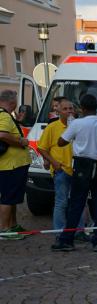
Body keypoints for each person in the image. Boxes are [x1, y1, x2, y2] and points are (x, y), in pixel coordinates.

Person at [51, 94, 97, 252]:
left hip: (82, 167)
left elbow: (61, 142)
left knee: (76, 204)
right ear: (96, 107)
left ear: (82, 108)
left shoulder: (77, 123)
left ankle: (67, 239)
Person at [38, 98, 88, 240]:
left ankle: (79, 231)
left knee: (78, 202)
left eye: (71, 108)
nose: (69, 111)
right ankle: (60, 233)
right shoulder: (52, 127)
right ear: (58, 111)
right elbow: (42, 147)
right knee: (62, 202)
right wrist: (54, 163)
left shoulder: (79, 125)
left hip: (78, 169)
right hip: (61, 170)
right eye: (65, 109)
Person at [0, 90, 32, 239]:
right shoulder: (4, 115)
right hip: (11, 165)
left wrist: (17, 122)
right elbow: (2, 134)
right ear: (12, 102)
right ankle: (5, 230)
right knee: (8, 197)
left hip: (12, 164)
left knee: (12, 197)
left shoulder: (6, 116)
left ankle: (13, 225)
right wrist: (21, 141)